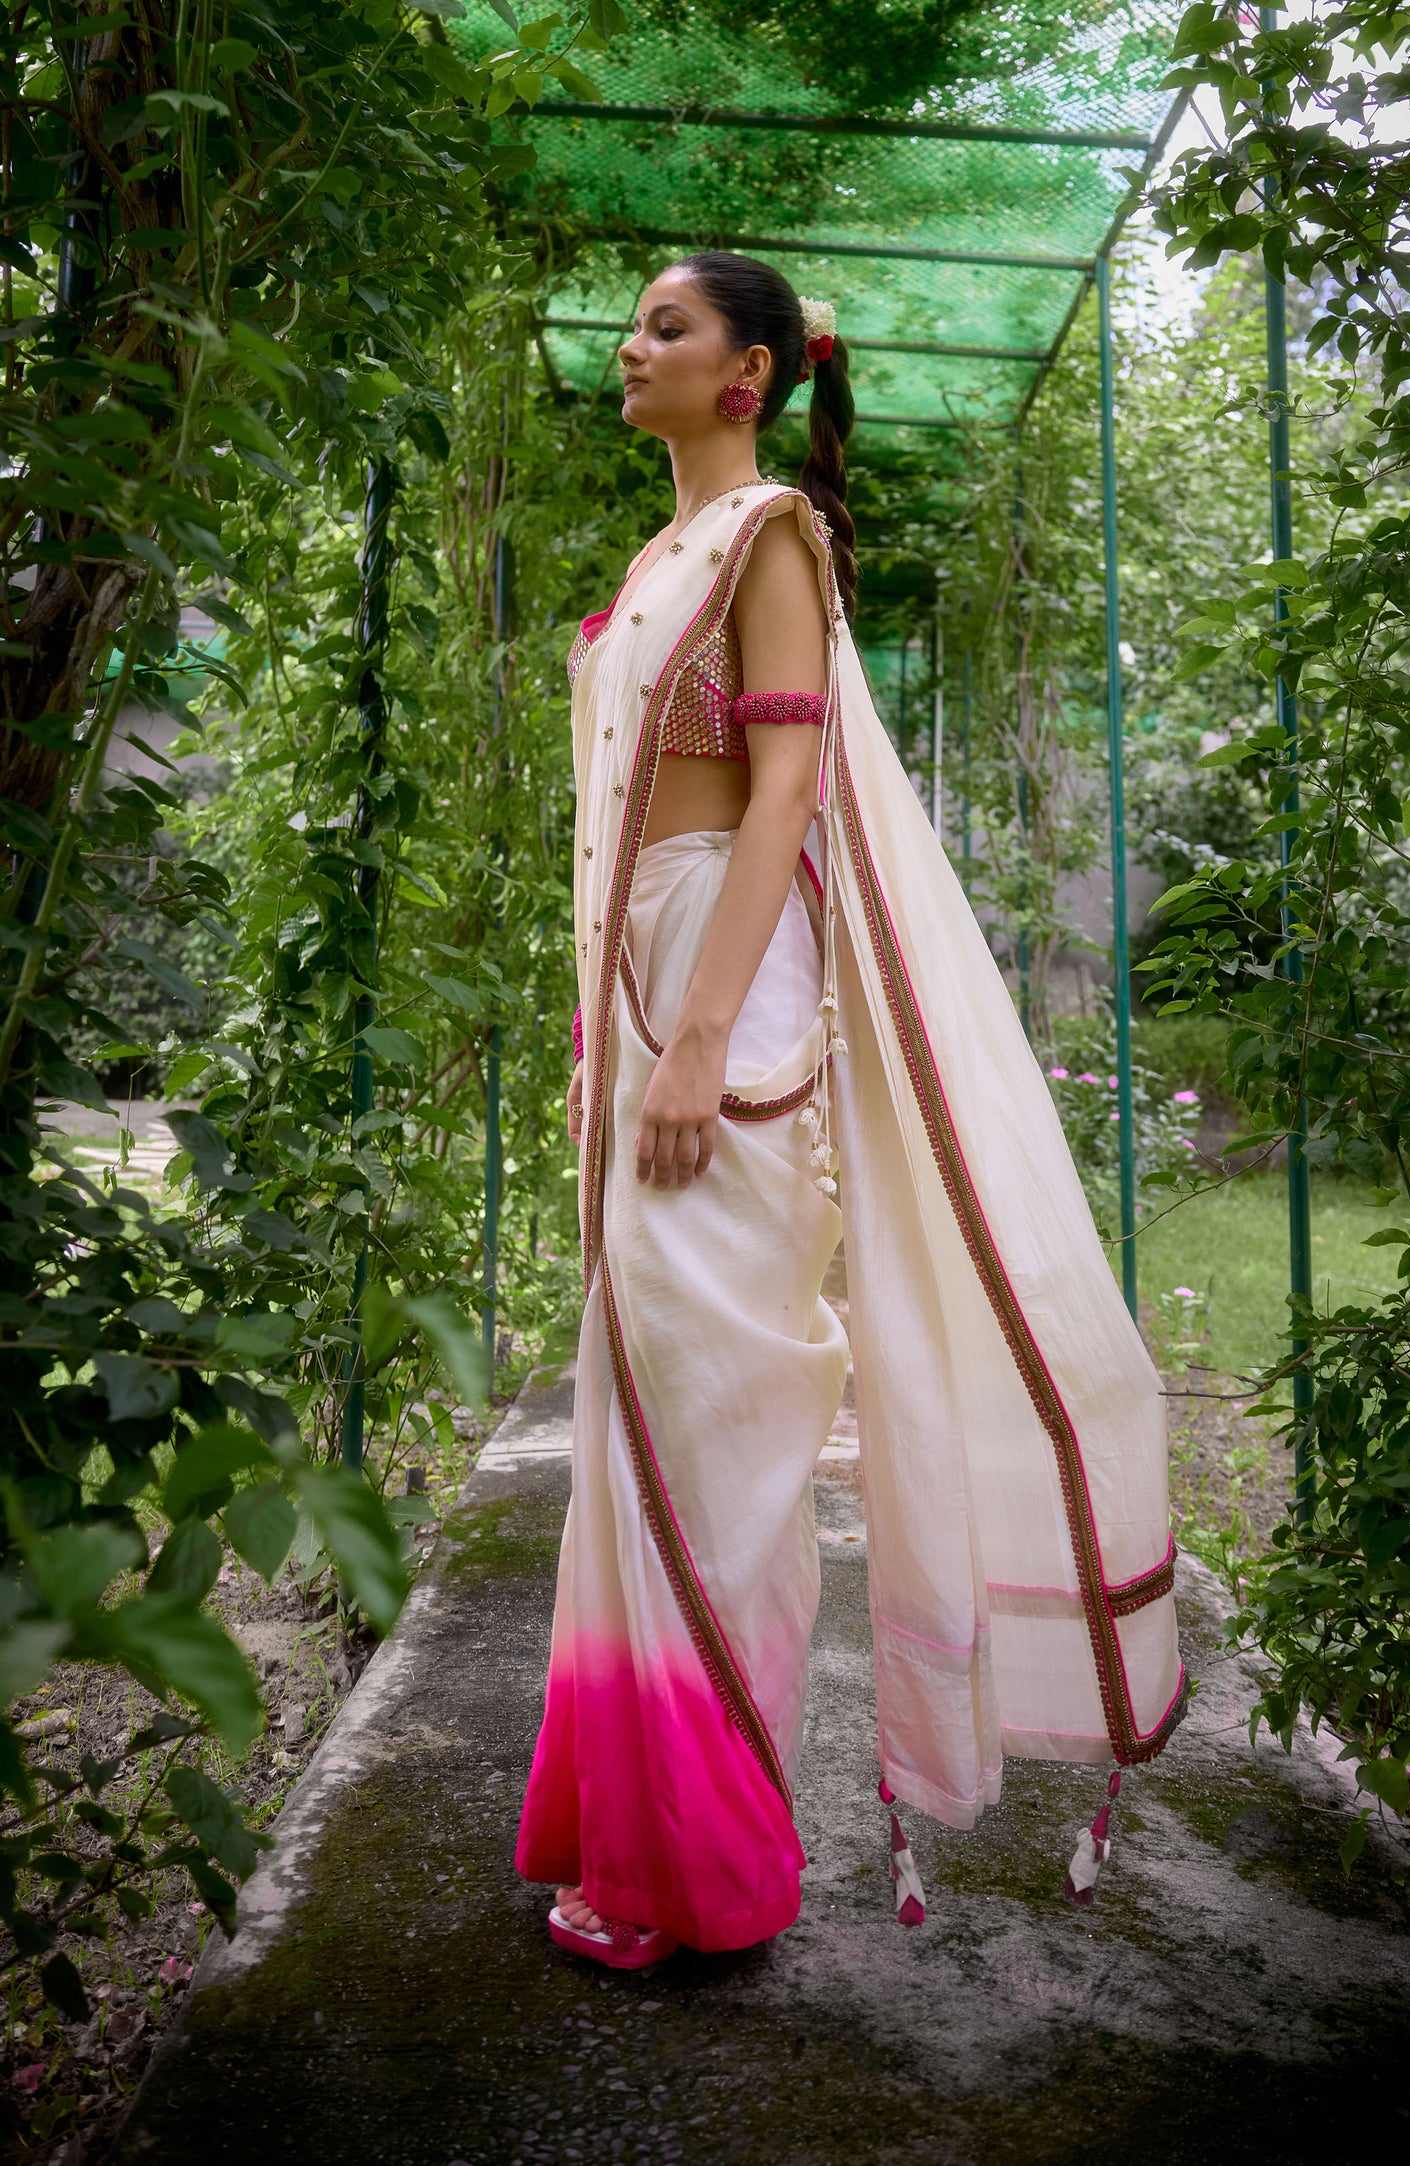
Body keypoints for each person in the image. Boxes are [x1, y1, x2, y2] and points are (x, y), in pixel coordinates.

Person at [515, 253, 1185, 1971]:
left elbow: (785, 790)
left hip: (718, 997)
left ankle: (703, 1867)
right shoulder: (656, 553)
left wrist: (693, 1040)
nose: (628, 345)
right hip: (643, 984)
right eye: (637, 322)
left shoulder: (769, 542)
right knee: (642, 1399)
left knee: (716, 1413)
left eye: (665, 326)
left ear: (747, 375)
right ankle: (633, 1820)